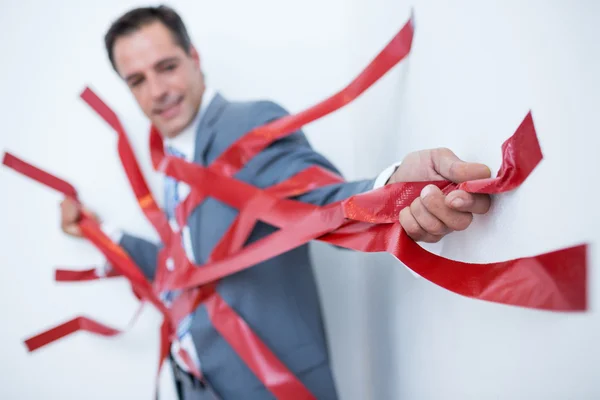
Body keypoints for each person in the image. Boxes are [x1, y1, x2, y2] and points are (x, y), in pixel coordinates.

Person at [59, 5, 492, 399]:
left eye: (166, 67)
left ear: (194, 58)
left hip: (269, 387)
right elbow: (186, 270)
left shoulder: (247, 127)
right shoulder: (173, 161)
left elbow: (317, 202)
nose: (156, 91)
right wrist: (103, 233)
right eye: (137, 81)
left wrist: (393, 189)